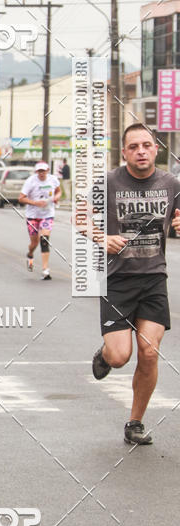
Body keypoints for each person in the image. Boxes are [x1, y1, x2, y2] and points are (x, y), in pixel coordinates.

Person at [90, 124, 180, 445]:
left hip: (154, 278)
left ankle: (135, 422)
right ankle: (104, 355)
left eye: (146, 145)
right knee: (119, 356)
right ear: (124, 152)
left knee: (150, 352)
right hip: (117, 281)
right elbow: (82, 218)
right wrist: (103, 237)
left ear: (156, 149)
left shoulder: (171, 184)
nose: (141, 151)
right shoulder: (109, 183)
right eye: (134, 146)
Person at [19, 161, 61, 280]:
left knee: (44, 240)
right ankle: (30, 254)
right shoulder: (30, 181)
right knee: (34, 243)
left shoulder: (53, 180)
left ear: (48, 170)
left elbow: (58, 191)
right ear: (36, 172)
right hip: (32, 215)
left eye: (44, 171)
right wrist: (35, 203)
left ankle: (45, 270)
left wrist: (56, 198)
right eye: (39, 171)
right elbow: (21, 198)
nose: (41, 174)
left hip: (47, 214)